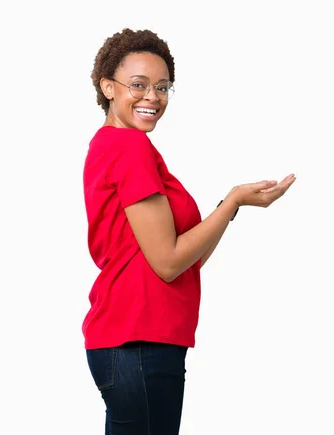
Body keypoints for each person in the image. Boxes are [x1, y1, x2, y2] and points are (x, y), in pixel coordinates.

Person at [82, 28, 296, 435]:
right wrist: (233, 200)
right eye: (138, 85)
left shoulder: (111, 146)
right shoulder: (129, 148)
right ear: (108, 87)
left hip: (136, 339)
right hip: (138, 339)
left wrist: (227, 210)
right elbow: (168, 262)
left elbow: (186, 259)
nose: (153, 97)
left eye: (163, 87)